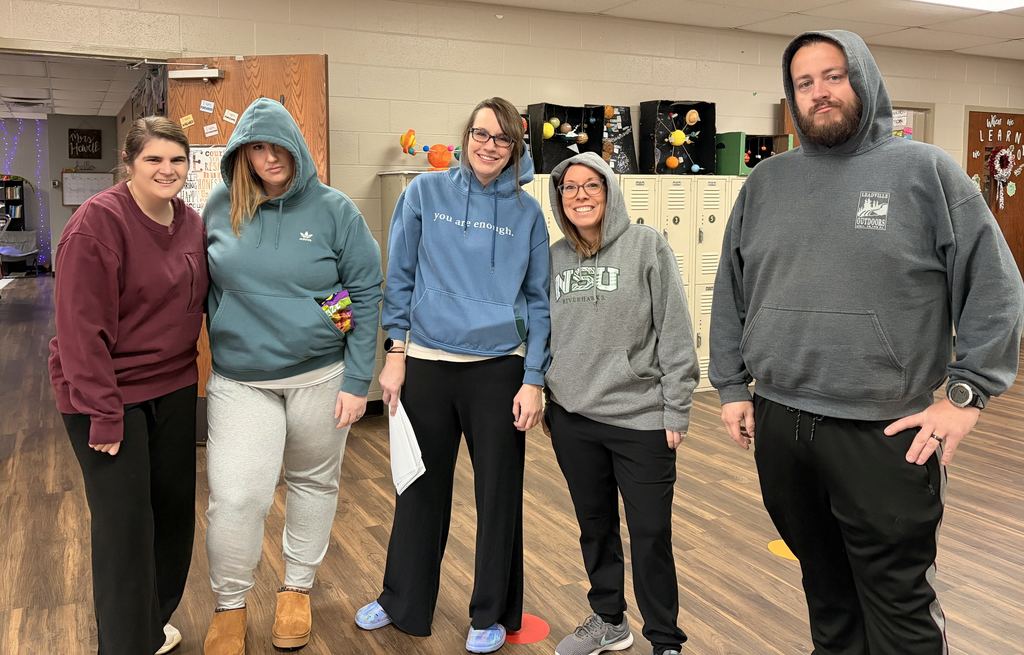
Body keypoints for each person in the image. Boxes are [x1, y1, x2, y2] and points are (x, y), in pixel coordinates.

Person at [709, 30, 1024, 655]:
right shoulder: (766, 183)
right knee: (825, 595)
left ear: (863, 79)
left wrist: (966, 396)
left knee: (899, 610)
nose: (819, 93)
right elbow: (733, 292)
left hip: (884, 433)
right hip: (780, 425)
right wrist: (730, 386)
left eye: (833, 76)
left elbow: (998, 288)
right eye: (804, 83)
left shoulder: (926, 173)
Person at [355, 97, 550, 654]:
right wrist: (394, 353)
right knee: (418, 489)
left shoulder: (527, 214)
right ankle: (402, 600)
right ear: (466, 137)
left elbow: (538, 301)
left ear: (516, 148)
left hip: (499, 370)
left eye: (501, 138)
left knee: (498, 495)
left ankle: (491, 612)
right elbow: (401, 278)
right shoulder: (424, 193)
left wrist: (533, 377)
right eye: (480, 134)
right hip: (428, 365)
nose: (488, 145)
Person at [201, 98, 382, 654]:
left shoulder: (334, 210)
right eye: (257, 146)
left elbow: (363, 292)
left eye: (279, 145)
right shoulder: (218, 206)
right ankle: (231, 604)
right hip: (240, 379)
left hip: (321, 375)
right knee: (236, 496)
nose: (270, 157)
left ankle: (296, 589)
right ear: (242, 154)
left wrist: (357, 380)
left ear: (297, 148)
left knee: (312, 482)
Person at [48, 117, 206, 655]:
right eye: (154, 160)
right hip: (105, 394)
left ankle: (149, 627)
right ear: (130, 164)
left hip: (175, 387)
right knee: (125, 531)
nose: (167, 170)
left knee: (173, 519)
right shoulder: (98, 224)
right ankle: (122, 644)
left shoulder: (191, 223)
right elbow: (78, 332)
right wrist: (104, 412)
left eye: (177, 160)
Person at [542, 152, 697, 655]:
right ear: (558, 198)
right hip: (573, 418)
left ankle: (665, 639)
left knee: (651, 532)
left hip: (641, 418)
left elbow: (674, 328)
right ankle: (609, 619)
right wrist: (548, 390)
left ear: (610, 192)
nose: (581, 195)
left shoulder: (646, 246)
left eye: (592, 186)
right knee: (595, 527)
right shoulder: (554, 256)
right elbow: (542, 331)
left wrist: (676, 406)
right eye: (570, 188)